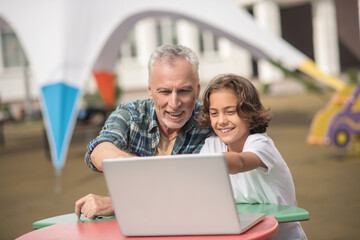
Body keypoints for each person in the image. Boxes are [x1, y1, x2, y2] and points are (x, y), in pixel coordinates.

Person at [75, 44, 211, 219]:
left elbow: (195, 192)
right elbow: (98, 151)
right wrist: (148, 171)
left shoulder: (210, 123)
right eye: (164, 91)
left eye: (184, 91)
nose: (174, 102)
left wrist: (119, 203)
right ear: (150, 91)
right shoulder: (131, 115)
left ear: (197, 90)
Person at [197, 74, 307, 240]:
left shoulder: (261, 143)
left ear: (250, 113)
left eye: (230, 112)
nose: (221, 121)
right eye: (214, 113)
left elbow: (241, 162)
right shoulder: (211, 145)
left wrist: (207, 164)